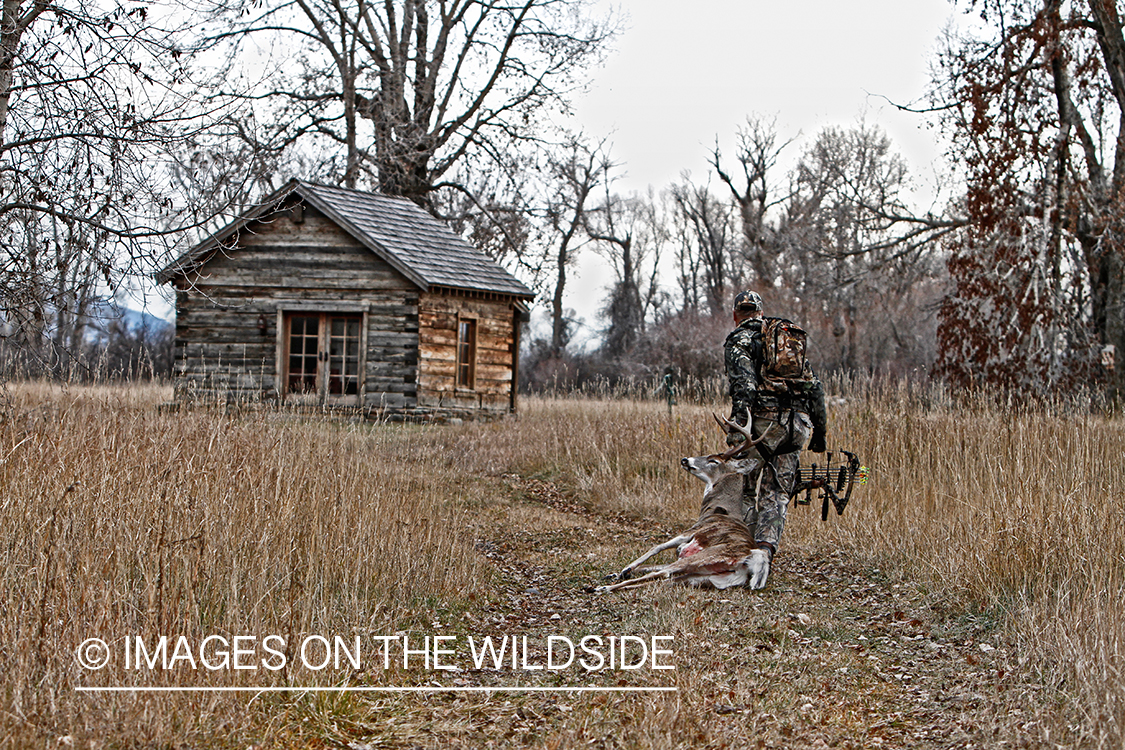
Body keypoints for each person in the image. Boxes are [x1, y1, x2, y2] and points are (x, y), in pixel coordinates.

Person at [723, 290, 827, 587]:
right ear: (760, 311)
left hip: (761, 428)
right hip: (797, 426)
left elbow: (744, 387)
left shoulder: (739, 340)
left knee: (740, 487)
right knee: (777, 494)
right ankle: (764, 555)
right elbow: (815, 389)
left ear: (736, 315)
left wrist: (737, 433)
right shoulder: (784, 340)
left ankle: (742, 555)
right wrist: (819, 434)